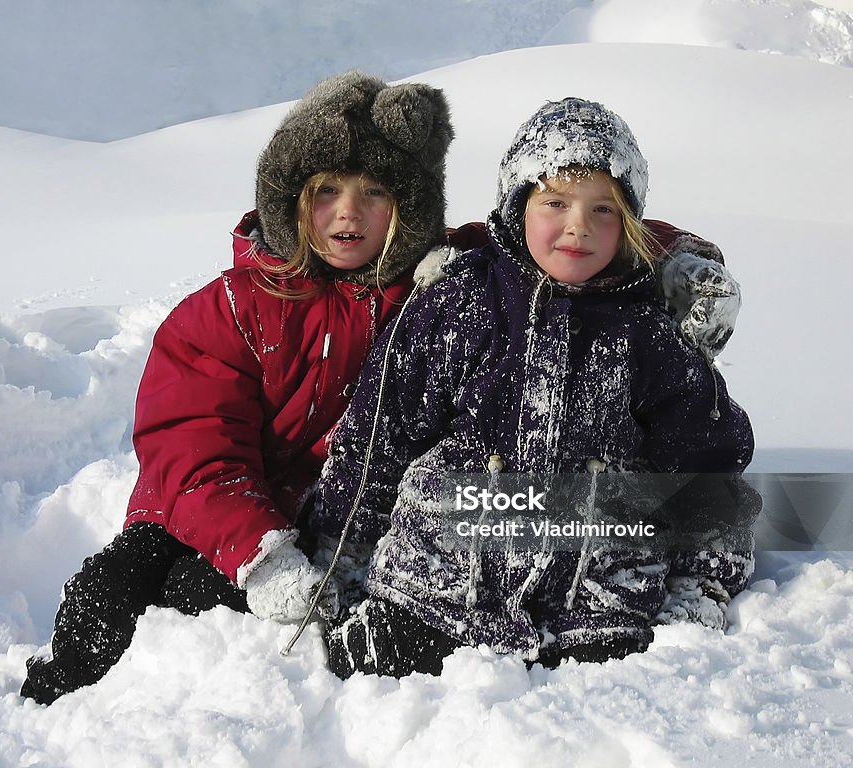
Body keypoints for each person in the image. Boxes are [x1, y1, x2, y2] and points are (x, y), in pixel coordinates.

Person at [20, 76, 743, 702]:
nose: (347, 214)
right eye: (325, 191)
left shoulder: (441, 281)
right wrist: (259, 550)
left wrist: (681, 263)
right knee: (113, 594)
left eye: (375, 194)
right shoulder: (232, 308)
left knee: (204, 602)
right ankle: (58, 711)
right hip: (221, 514)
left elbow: (568, 226)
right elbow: (189, 451)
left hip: (333, 520)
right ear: (288, 198)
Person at [312, 97, 760, 679]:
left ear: (628, 224)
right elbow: (381, 432)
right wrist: (341, 552)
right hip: (438, 586)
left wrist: (703, 581)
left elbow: (705, 456)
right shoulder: (459, 304)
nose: (579, 225)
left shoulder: (645, 330)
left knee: (608, 710)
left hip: (597, 599)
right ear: (518, 204)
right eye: (556, 203)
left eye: (603, 209)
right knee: (374, 676)